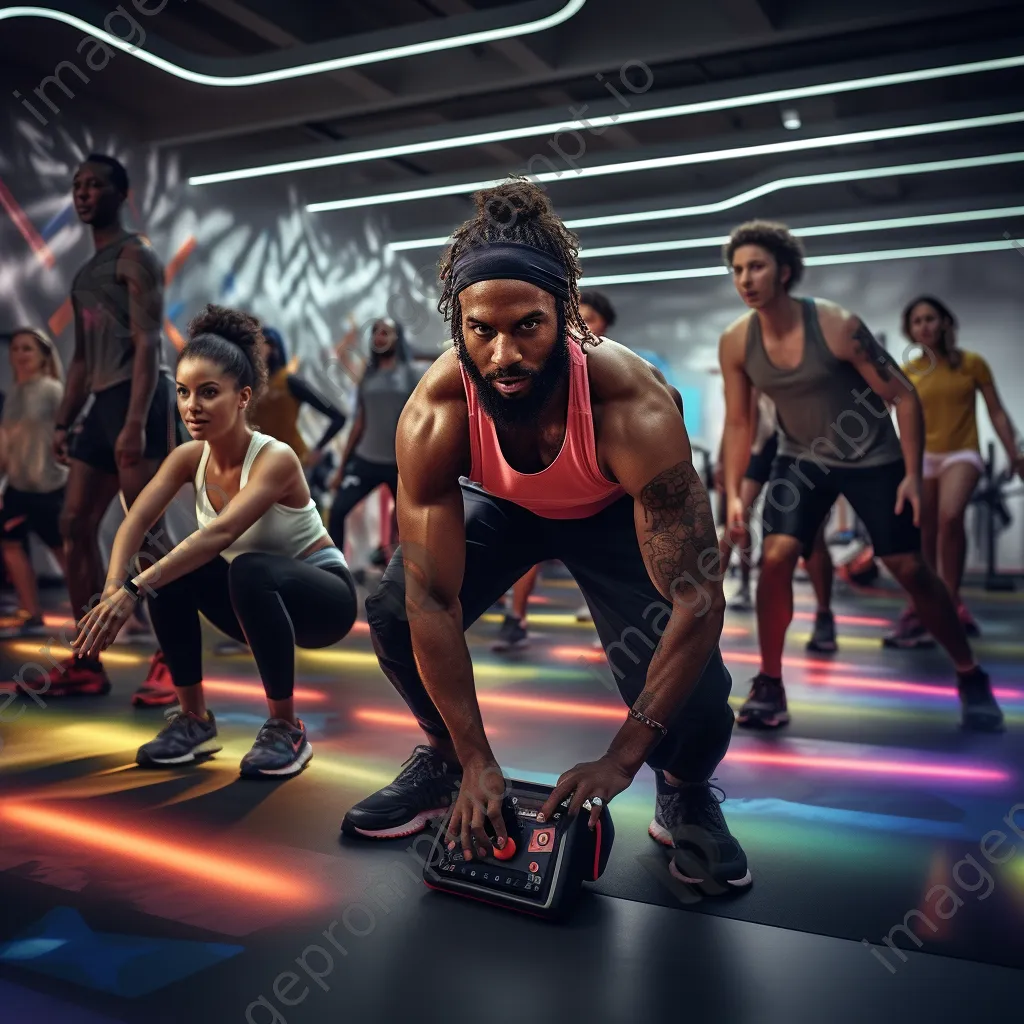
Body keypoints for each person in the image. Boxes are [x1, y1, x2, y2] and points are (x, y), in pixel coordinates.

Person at [342, 179, 749, 893]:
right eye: (480, 331)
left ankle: (683, 789)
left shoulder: (632, 404)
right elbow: (431, 599)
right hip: (507, 504)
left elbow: (699, 600)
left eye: (527, 325)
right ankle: (440, 761)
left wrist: (622, 759)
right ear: (457, 325)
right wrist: (476, 757)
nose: (503, 355)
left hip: (609, 511)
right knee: (390, 609)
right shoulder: (435, 411)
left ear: (567, 318)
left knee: (697, 692)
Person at [718, 220, 1003, 732]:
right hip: (801, 457)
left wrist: (913, 475)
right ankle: (769, 682)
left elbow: (903, 396)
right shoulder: (737, 342)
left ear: (784, 272)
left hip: (873, 458)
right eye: (737, 270)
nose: (745, 279)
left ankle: (969, 672)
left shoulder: (836, 325)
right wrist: (737, 493)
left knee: (909, 568)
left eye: (756, 266)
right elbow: (739, 422)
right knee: (777, 555)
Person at [72, 305, 358, 777]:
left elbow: (222, 533)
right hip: (253, 604)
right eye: (183, 393)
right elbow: (135, 518)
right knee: (168, 571)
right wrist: (111, 590)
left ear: (243, 397)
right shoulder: (188, 457)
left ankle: (287, 728)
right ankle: (193, 719)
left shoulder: (276, 458)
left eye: (208, 393)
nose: (191, 406)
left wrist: (133, 589)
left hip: (324, 603)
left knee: (241, 567)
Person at [4, 155, 175, 703]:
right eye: (76, 185)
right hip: (100, 404)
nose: (83, 193)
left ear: (119, 193)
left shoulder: (136, 255)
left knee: (147, 536)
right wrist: (63, 420)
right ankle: (85, 662)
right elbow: (78, 359)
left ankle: (173, 660)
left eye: (94, 184)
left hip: (138, 400)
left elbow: (149, 345)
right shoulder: (84, 275)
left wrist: (132, 422)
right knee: (76, 525)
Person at [492, 290, 633, 651]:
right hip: (548, 482)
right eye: (576, 318)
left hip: (603, 492)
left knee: (610, 567)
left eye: (592, 319)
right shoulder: (546, 373)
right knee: (527, 544)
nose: (581, 326)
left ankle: (618, 623)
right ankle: (515, 617)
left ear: (607, 325)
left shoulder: (621, 374)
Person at [883, 296, 1024, 648]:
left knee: (950, 516)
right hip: (921, 457)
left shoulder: (972, 364)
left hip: (963, 453)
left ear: (946, 323)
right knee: (924, 530)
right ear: (910, 330)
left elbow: (997, 412)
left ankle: (952, 599)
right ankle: (924, 605)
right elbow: (883, 413)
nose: (924, 326)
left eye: (931, 318)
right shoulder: (910, 371)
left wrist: (1014, 453)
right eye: (917, 321)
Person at [716, 391, 838, 652]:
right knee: (737, 519)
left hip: (804, 448)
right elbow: (736, 418)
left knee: (813, 535)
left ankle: (824, 613)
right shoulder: (748, 363)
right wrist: (722, 460)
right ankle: (720, 596)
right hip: (761, 444)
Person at [327, 318, 419, 564]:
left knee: (409, 526)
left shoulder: (410, 374)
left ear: (397, 337)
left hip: (398, 464)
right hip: (365, 459)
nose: (379, 336)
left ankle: (405, 580)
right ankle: (334, 572)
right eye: (376, 331)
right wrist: (342, 467)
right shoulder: (368, 373)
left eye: (386, 332)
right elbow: (360, 422)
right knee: (337, 513)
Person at [0, 329, 68, 637]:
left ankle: (102, 615)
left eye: (27, 349)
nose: (20, 355)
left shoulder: (53, 390)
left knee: (66, 553)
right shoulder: (15, 393)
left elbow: (66, 435)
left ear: (43, 355)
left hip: (49, 487)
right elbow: (7, 445)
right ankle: (32, 613)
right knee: (10, 543)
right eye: (15, 349)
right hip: (18, 486)